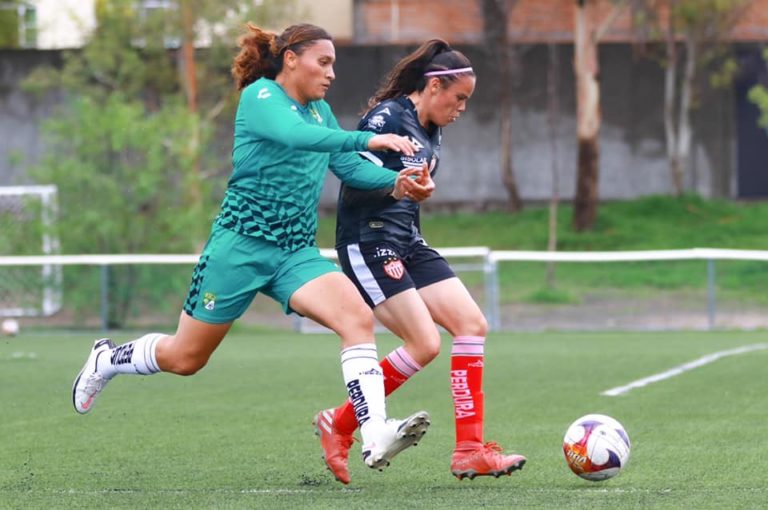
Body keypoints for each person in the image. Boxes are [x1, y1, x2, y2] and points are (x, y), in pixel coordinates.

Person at [72, 23, 436, 473]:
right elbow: (294, 136)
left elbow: (349, 169)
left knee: (356, 317)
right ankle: (108, 358)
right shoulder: (261, 98)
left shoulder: (319, 111)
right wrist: (368, 139)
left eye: (334, 65)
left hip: (295, 253)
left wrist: (397, 184)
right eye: (323, 62)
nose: (331, 74)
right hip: (239, 249)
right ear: (290, 60)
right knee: (186, 358)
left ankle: (374, 431)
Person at [313, 39, 527, 483]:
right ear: (433, 87)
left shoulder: (433, 128)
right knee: (424, 344)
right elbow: (351, 175)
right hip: (368, 242)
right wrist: (396, 183)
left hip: (407, 240)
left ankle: (469, 450)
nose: (462, 107)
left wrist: (412, 190)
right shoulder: (388, 117)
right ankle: (342, 423)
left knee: (472, 324)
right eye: (459, 97)